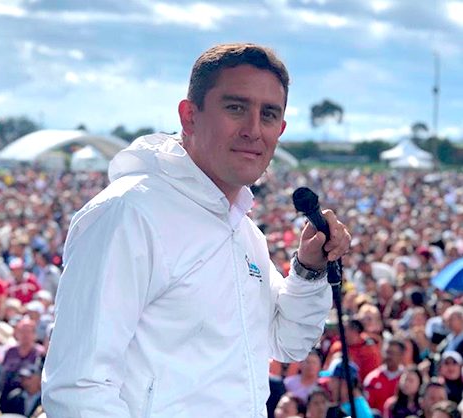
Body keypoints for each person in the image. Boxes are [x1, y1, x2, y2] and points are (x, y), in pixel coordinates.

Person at [42, 43, 351, 417]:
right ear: (189, 116)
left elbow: (287, 342)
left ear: (281, 129)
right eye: (236, 108)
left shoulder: (244, 232)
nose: (253, 130)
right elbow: (78, 389)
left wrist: (309, 269)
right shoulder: (128, 213)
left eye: (268, 114)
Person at [363, 338, 405, 413]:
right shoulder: (372, 378)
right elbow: (367, 408)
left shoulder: (406, 378)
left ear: (401, 355)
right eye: (387, 352)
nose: (389, 356)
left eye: (392, 353)